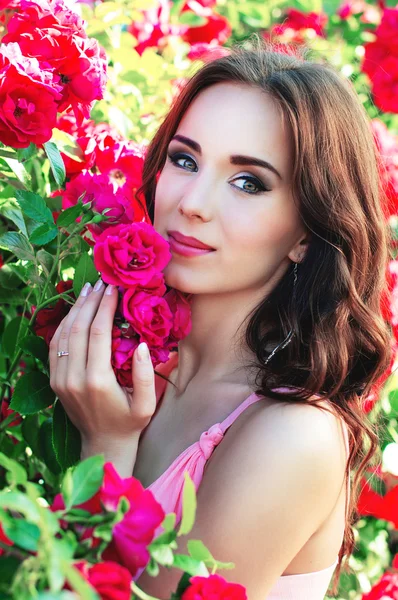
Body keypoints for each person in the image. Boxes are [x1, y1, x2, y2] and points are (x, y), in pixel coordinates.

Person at [49, 36, 392, 599]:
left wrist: (105, 447)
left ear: (307, 233)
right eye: (185, 159)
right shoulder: (122, 358)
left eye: (248, 181)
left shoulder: (291, 434)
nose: (193, 202)